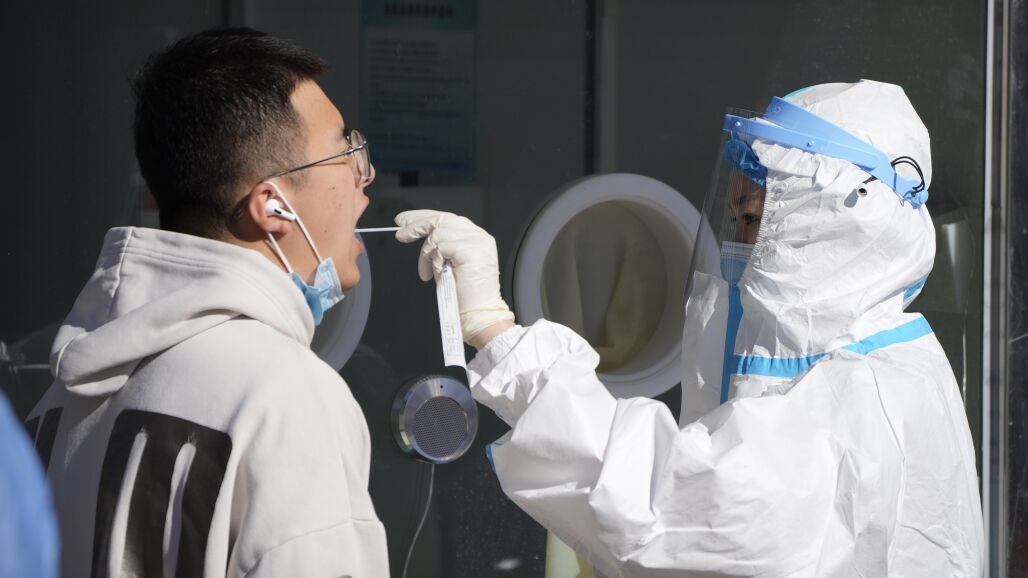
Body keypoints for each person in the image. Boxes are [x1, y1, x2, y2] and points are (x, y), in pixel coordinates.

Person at [395, 80, 984, 576]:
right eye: (734, 216)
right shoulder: (880, 360)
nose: (738, 244)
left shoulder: (859, 394)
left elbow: (666, 505)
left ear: (836, 226)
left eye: (755, 219)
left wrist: (494, 329)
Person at [26, 28, 387, 577]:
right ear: (273, 206)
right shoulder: (285, 396)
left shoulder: (52, 407)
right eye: (347, 153)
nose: (366, 179)